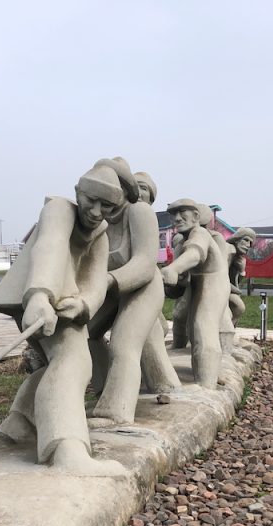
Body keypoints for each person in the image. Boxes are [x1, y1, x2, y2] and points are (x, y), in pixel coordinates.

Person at [0, 160, 127, 474]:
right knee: (74, 361)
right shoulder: (59, 210)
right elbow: (48, 247)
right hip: (36, 298)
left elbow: (94, 279)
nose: (95, 212)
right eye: (91, 201)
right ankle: (66, 450)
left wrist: (84, 305)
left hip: (64, 305)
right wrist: (40, 294)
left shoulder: (100, 236)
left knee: (58, 366)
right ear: (79, 193)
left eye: (105, 206)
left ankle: (19, 423)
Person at [87, 164, 179, 423]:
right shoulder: (99, 220)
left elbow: (145, 263)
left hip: (143, 287)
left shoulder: (139, 212)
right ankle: (104, 389)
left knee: (124, 342)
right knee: (85, 333)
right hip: (110, 289)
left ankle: (116, 411)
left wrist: (108, 280)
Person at [159, 199, 231, 388]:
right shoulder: (182, 240)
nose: (177, 218)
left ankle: (206, 385)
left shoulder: (200, 233)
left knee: (203, 326)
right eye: (173, 214)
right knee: (191, 326)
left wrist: (174, 268)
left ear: (196, 216)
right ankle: (210, 373)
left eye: (182, 212)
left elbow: (195, 254)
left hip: (213, 282)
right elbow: (181, 278)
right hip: (198, 283)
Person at [226, 227, 256, 324]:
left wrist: (242, 271)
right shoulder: (229, 251)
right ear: (237, 239)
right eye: (246, 240)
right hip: (219, 288)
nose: (248, 245)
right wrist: (237, 291)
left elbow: (235, 281)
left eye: (250, 243)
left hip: (228, 289)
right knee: (239, 307)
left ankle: (229, 330)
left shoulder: (238, 258)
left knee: (237, 309)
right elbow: (221, 276)